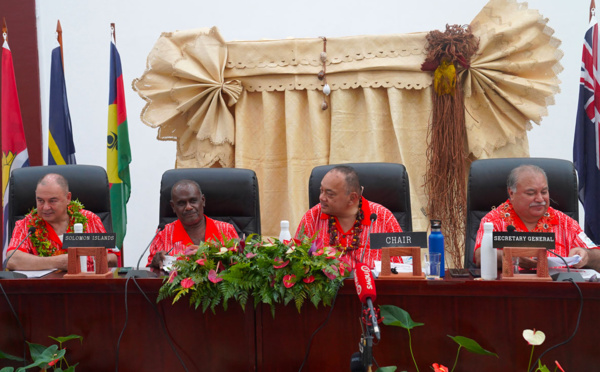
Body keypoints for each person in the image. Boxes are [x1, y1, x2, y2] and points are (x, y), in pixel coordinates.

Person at [474, 164, 600, 270]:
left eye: (544, 192)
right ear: (512, 193)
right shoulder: (493, 220)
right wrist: (513, 257)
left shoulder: (565, 223)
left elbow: (598, 258)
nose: (540, 199)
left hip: (558, 295)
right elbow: (481, 257)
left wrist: (587, 256)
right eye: (531, 193)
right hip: (510, 294)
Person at [295, 165, 402, 268]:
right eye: (321, 190)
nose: (321, 198)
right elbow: (296, 262)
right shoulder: (312, 217)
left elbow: (402, 268)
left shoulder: (383, 218)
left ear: (352, 198)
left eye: (330, 194)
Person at [6, 173, 118, 271]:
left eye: (52, 201)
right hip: (43, 291)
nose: (45, 207)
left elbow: (113, 258)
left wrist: (89, 261)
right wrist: (58, 262)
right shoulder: (27, 225)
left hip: (86, 287)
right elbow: (12, 259)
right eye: (40, 200)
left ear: (68, 198)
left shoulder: (90, 219)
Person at [147, 179, 239, 270]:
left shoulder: (226, 230)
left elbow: (241, 268)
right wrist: (154, 264)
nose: (188, 207)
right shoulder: (163, 234)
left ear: (203, 201)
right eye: (181, 203)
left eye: (193, 201)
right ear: (173, 207)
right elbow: (149, 276)